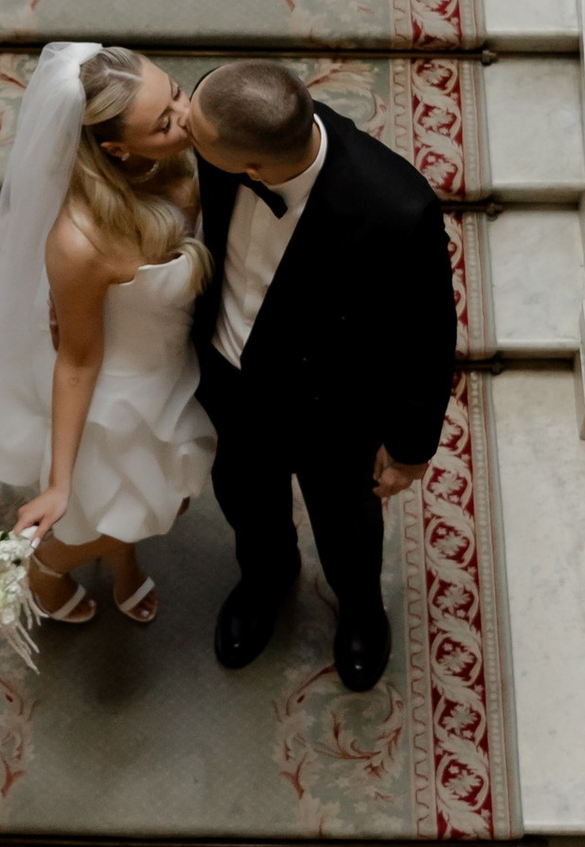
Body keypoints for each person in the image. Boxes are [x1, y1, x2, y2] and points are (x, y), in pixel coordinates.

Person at [185, 56, 457, 690]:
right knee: (246, 501)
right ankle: (266, 580)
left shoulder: (397, 207)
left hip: (331, 405)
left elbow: (428, 334)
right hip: (230, 377)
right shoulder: (224, 119)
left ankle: (361, 608)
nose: (181, 134)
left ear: (250, 166)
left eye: (192, 137)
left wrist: (412, 447)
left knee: (348, 525)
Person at [0, 42, 214, 629]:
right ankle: (48, 569)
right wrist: (58, 484)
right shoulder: (80, 242)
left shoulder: (185, 153)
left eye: (177, 93)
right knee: (148, 501)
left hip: (176, 360)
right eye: (163, 123)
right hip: (120, 388)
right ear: (115, 149)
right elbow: (79, 359)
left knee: (148, 499)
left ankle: (121, 557)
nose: (187, 116)